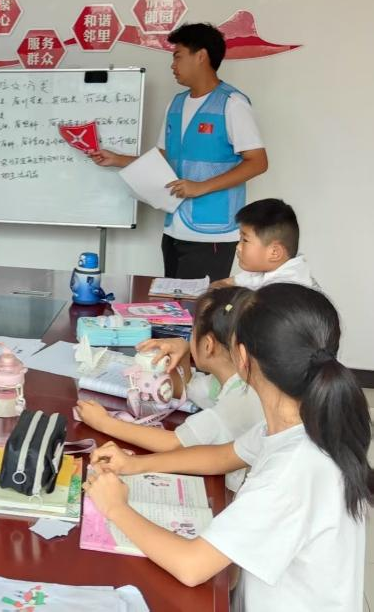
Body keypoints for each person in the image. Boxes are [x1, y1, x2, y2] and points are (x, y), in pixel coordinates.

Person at [84, 284, 372, 611]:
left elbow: (191, 566)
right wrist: (134, 465)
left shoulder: (293, 469)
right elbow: (221, 456)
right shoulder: (300, 423)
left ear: (243, 358)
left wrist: (115, 507)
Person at [89, 23, 268, 282]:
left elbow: (258, 162)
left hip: (213, 232)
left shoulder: (232, 104)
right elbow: (164, 157)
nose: (173, 65)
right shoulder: (176, 103)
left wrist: (200, 187)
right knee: (172, 304)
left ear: (201, 56)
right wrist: (118, 159)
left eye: (178, 56)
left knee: (198, 305)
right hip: (174, 228)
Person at [75, 286, 262, 491]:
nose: (190, 338)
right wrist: (184, 355)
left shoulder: (242, 398)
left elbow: (175, 443)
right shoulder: (235, 378)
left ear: (208, 345)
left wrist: (104, 423)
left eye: (192, 332)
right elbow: (186, 390)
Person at [212, 198, 318, 290]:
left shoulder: (287, 289)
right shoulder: (267, 268)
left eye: (245, 240)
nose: (238, 247)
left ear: (274, 252)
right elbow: (222, 284)